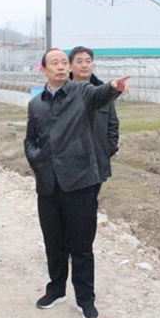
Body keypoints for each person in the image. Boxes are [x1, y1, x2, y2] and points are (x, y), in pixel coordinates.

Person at [24, 48, 130, 318]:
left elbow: (101, 94)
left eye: (64, 62)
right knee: (53, 242)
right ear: (43, 69)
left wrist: (113, 87)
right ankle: (56, 289)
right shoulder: (36, 104)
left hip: (80, 181)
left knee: (82, 245)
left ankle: (85, 299)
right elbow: (30, 139)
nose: (60, 67)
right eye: (55, 63)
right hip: (48, 184)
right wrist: (38, 161)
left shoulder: (81, 92)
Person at [69, 45, 119, 212]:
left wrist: (108, 148)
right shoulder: (63, 92)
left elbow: (113, 123)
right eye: (79, 61)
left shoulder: (103, 92)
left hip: (97, 160)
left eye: (88, 61)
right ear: (70, 66)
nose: (84, 65)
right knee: (71, 206)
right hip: (70, 162)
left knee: (90, 206)